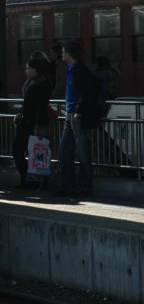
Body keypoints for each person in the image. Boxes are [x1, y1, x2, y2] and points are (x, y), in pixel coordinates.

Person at [56, 40, 100, 198]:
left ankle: (85, 186)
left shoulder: (80, 70)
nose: (61, 54)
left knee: (82, 152)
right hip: (70, 114)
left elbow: (87, 93)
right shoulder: (70, 69)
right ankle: (68, 185)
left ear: (69, 54)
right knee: (64, 150)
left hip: (77, 115)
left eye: (63, 52)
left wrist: (78, 110)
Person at [12, 58, 51, 188]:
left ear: (35, 70)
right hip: (29, 122)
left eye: (28, 68)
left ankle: (30, 179)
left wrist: (37, 125)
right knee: (32, 151)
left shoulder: (38, 85)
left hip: (31, 124)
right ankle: (32, 178)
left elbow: (39, 107)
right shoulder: (35, 83)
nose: (26, 71)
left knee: (20, 149)